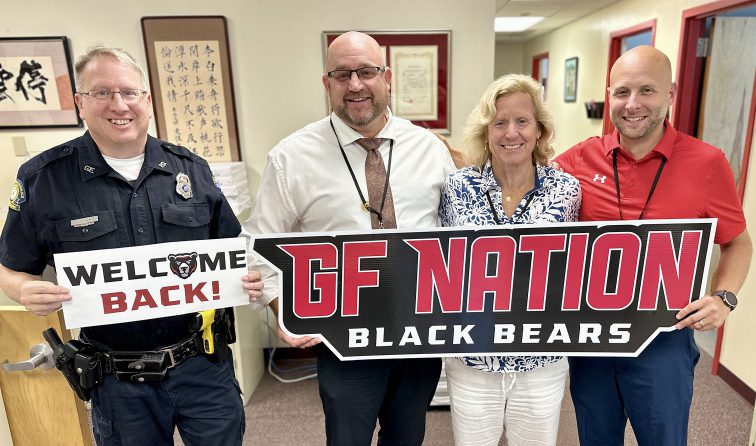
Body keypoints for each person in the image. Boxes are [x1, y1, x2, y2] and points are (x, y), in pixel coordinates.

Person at [0, 46, 264, 446]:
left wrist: (250, 280)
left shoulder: (190, 168)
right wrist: (21, 289)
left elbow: (231, 251)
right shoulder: (44, 179)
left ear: (147, 100)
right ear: (80, 103)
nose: (118, 104)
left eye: (128, 92)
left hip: (203, 366)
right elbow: (11, 267)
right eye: (102, 93)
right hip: (118, 380)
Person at [246, 31, 455, 445]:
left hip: (418, 335)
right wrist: (281, 308)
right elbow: (259, 246)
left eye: (366, 72)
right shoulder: (291, 157)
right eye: (342, 75)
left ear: (387, 77)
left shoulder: (429, 149)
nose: (355, 84)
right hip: (344, 340)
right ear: (328, 84)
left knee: (407, 438)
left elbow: (455, 233)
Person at [556, 45, 752, 446]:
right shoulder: (576, 161)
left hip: (664, 338)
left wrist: (723, 299)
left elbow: (738, 243)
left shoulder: (706, 162)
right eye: (622, 92)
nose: (632, 105)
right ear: (609, 93)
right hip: (592, 339)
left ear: (670, 94)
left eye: (647, 91)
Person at [439, 74, 581, 446]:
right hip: (473, 359)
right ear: (486, 132)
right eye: (499, 122)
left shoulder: (565, 190)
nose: (510, 132)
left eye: (522, 121)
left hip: (541, 359)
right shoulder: (457, 187)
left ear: (540, 131)